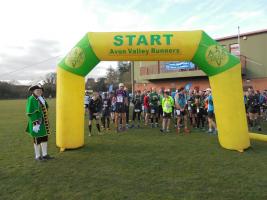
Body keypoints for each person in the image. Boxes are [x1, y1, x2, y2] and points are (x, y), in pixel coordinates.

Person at [26, 84, 53, 161]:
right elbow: (30, 112)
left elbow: (46, 108)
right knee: (37, 140)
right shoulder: (31, 99)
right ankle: (37, 156)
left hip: (44, 123)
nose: (39, 92)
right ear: (34, 91)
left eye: (40, 91)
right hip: (36, 124)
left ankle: (45, 155)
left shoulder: (41, 98)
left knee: (44, 138)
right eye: (37, 91)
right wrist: (35, 123)